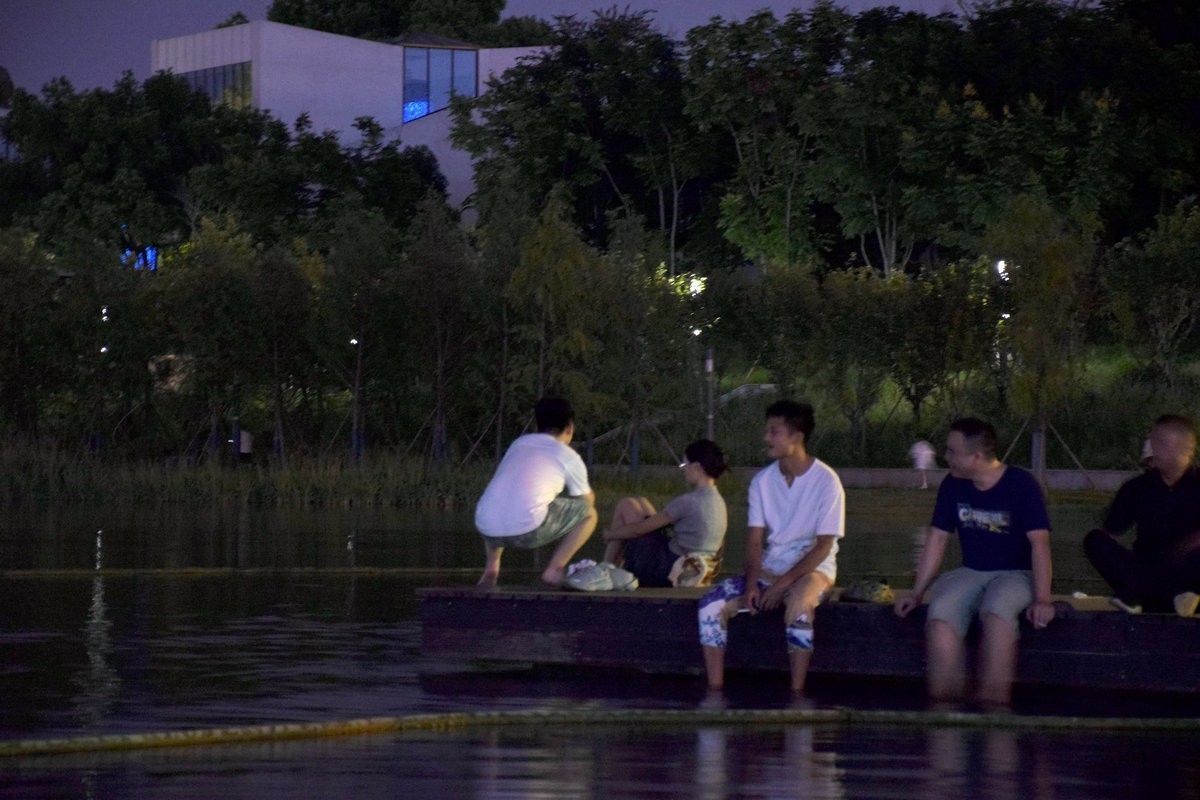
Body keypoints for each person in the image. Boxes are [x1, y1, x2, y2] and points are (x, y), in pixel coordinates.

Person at [894, 417, 1055, 708]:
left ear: (976, 457)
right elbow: (937, 539)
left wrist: (1043, 599)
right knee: (941, 610)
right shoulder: (952, 485)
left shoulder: (1021, 484)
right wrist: (916, 593)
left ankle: (994, 702)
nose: (946, 457)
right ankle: (946, 704)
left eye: (952, 451)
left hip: (1016, 573)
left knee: (997, 609)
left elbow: (1040, 544)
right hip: (971, 571)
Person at [698, 400, 845, 695]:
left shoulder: (827, 481)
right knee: (710, 605)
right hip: (771, 567)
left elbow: (823, 547)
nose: (766, 438)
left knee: (799, 607)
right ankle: (715, 691)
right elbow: (754, 541)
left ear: (796, 437)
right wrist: (753, 584)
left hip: (814, 570)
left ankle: (796, 694)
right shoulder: (762, 481)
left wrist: (781, 586)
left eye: (773, 431)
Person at [474, 397, 598, 588]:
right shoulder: (568, 455)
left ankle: (492, 568)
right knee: (590, 514)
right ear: (569, 427)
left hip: (486, 529)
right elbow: (587, 500)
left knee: (500, 500)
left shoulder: (518, 444)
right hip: (529, 531)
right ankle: (555, 570)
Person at [1084, 414, 1200, 616]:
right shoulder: (1136, 488)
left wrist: (1189, 544)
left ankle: (1153, 596)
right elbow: (1110, 531)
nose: (1152, 449)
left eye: (1161, 444)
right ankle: (1163, 597)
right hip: (1146, 570)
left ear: (1187, 448)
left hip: (1187, 572)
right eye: (1152, 442)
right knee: (1094, 541)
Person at [602, 439, 729, 588]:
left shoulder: (690, 501)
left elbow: (639, 530)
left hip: (667, 570)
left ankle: (605, 569)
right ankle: (608, 568)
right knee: (642, 502)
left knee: (627, 505)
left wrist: (610, 534)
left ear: (696, 467)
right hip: (702, 567)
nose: (683, 470)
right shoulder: (719, 502)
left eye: (684, 465)